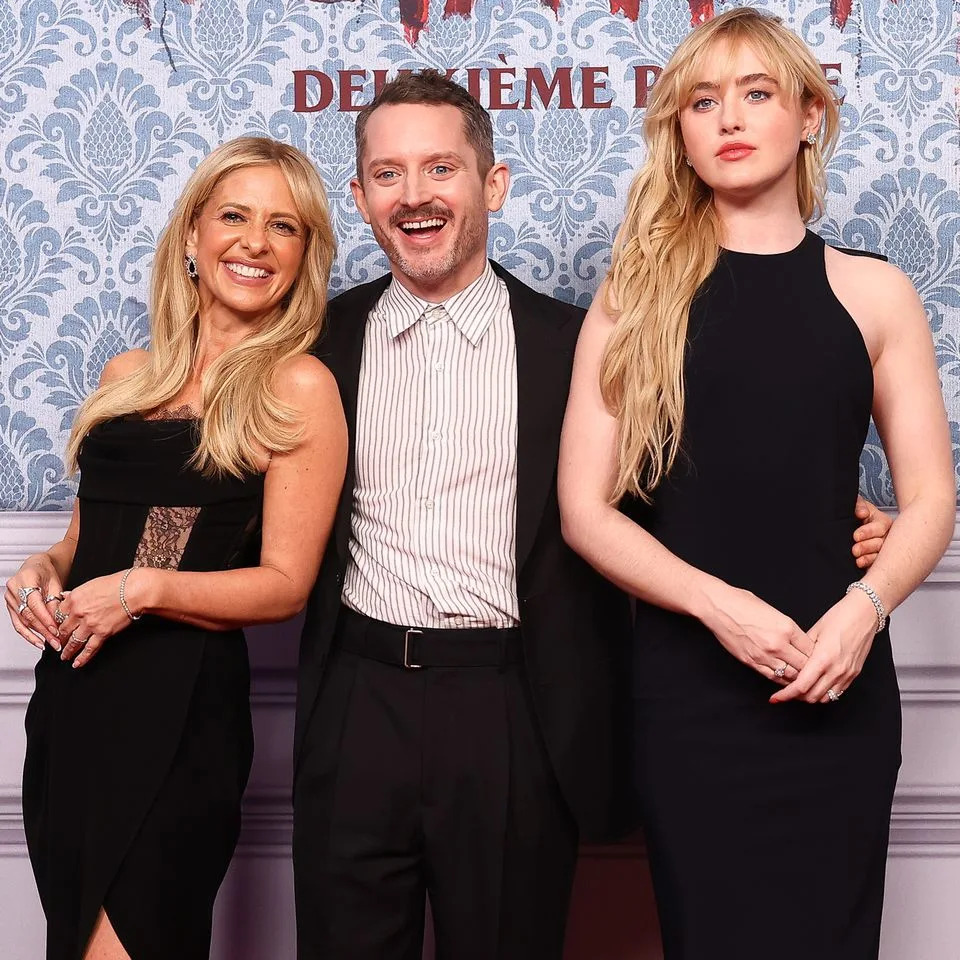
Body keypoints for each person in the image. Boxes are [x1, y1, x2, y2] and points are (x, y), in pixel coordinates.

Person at [291, 69, 890, 960]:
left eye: (441, 169)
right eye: (388, 174)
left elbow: (690, 481)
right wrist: (77, 553)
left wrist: (842, 512)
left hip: (515, 710)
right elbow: (206, 474)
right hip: (355, 702)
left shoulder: (580, 341)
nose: (414, 195)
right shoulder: (310, 348)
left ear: (491, 184)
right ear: (361, 196)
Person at [558, 9, 955, 960]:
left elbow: (934, 498)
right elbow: (583, 510)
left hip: (840, 682)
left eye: (757, 93)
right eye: (703, 100)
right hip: (690, 696)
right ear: (682, 134)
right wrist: (718, 607)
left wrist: (864, 610)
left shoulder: (875, 292)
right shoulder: (635, 293)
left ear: (810, 115)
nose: (728, 118)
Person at [5, 137, 346, 960]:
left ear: (304, 257)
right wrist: (42, 569)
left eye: (284, 227)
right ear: (192, 236)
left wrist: (139, 592)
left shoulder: (297, 385)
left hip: (180, 707)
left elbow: (284, 585)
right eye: (234, 216)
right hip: (76, 700)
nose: (255, 242)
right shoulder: (130, 374)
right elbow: (91, 539)